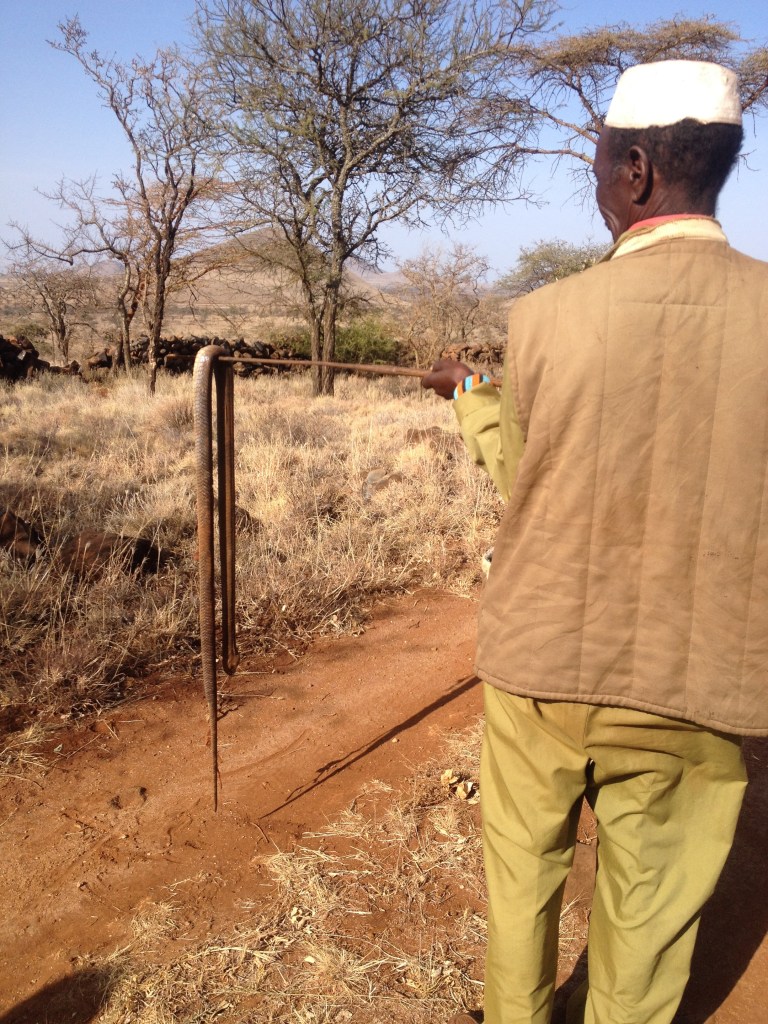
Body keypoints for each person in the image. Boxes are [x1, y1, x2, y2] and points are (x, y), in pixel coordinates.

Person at [422, 60, 768, 1024]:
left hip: (541, 667)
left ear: (638, 171)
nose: (598, 178)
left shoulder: (545, 316)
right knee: (652, 918)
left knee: (520, 885)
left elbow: (526, 477)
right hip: (696, 683)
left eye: (600, 159)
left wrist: (467, 395)